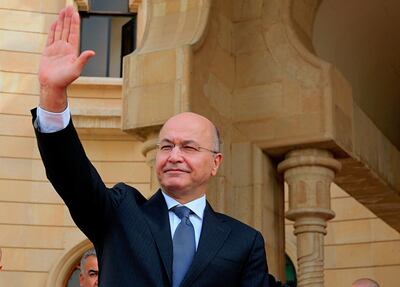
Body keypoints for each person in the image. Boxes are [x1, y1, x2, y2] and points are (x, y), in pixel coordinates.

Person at [32, 6, 269, 286]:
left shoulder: (243, 241)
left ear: (215, 162)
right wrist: (53, 94)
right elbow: (72, 177)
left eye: (189, 147)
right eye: (166, 146)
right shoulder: (120, 214)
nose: (174, 156)